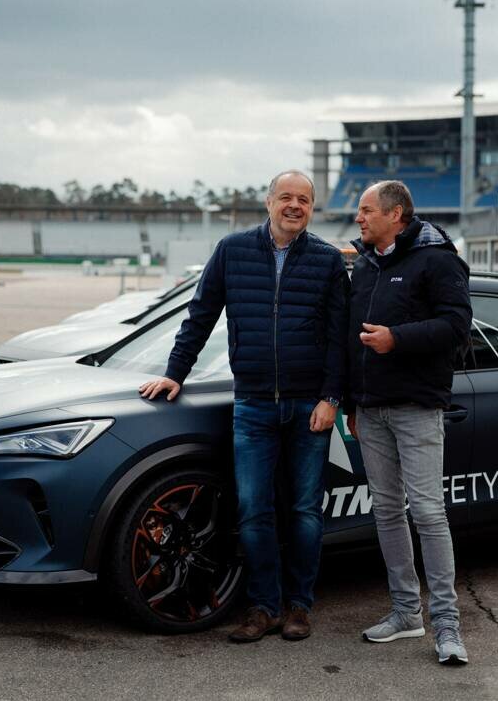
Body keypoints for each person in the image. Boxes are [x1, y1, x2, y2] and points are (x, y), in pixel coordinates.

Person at [139, 170, 349, 643]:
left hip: (307, 408)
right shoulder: (232, 250)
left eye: (304, 200)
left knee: (303, 512)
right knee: (254, 511)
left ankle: (299, 606)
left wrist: (331, 398)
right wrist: (176, 373)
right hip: (253, 405)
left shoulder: (326, 260)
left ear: (312, 209)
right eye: (286, 198)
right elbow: (200, 315)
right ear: (269, 202)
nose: (294, 206)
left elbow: (340, 338)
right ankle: (262, 607)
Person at [345, 180, 472, 665]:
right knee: (386, 511)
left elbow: (458, 327)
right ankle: (405, 613)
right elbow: (347, 336)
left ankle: (447, 625)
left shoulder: (437, 259)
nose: (359, 218)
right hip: (371, 409)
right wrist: (353, 404)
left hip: (416, 407)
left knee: (428, 512)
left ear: (396, 215)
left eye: (366, 210)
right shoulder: (366, 265)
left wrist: (397, 339)